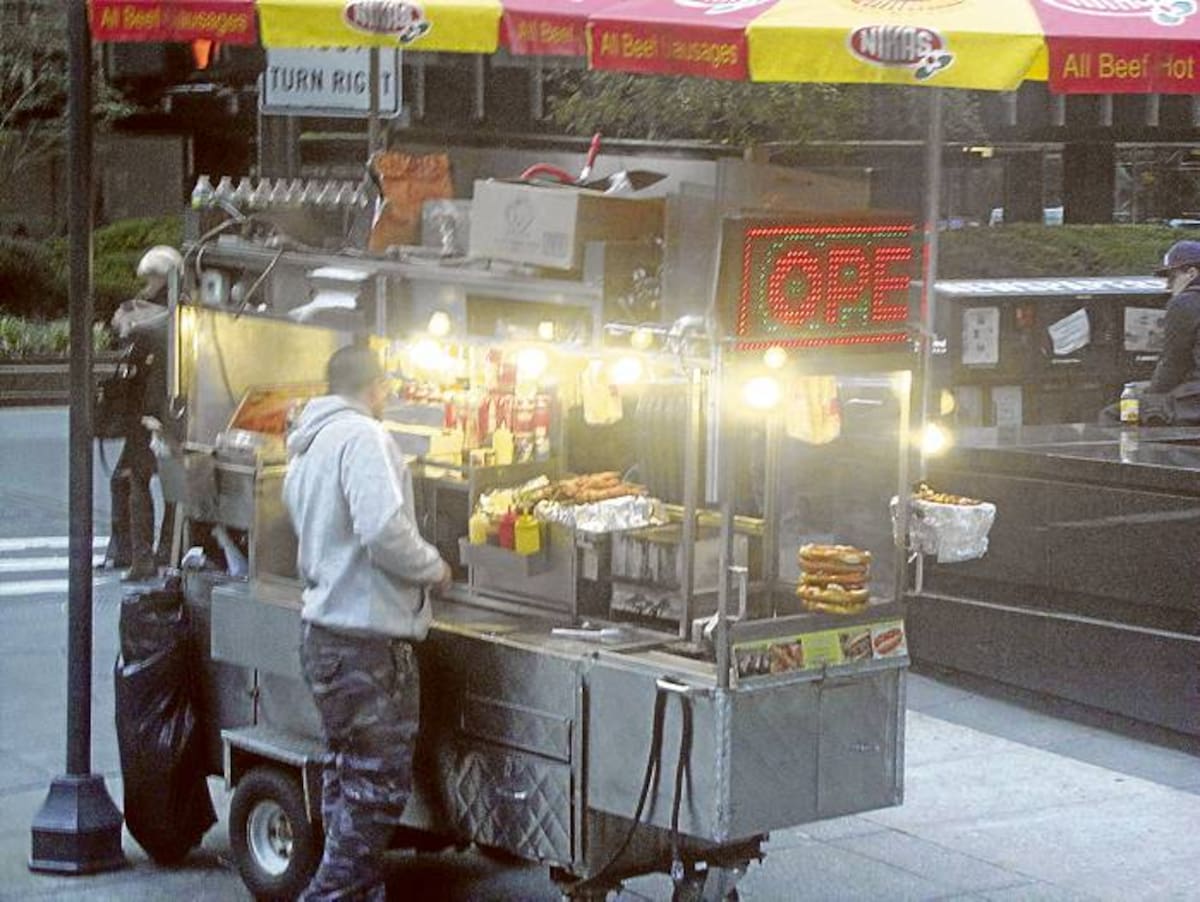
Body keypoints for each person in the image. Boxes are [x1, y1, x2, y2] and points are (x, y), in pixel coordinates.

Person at [283, 345, 451, 902]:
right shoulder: (364, 438)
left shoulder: (309, 442)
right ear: (375, 386)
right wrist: (433, 566)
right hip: (366, 643)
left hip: (326, 635)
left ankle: (356, 894)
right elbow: (381, 530)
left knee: (345, 779)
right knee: (375, 792)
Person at [99, 245, 180, 581]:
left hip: (157, 411)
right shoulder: (152, 311)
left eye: (153, 279)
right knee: (133, 481)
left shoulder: (170, 313)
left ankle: (144, 555)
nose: (147, 286)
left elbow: (142, 328)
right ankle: (138, 551)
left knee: (140, 482)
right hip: (145, 410)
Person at [1147, 239, 1200, 395]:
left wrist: (1151, 396)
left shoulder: (1186, 302)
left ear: (1191, 273)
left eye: (1171, 277)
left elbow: (1173, 364)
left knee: (1114, 414)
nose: (1168, 286)